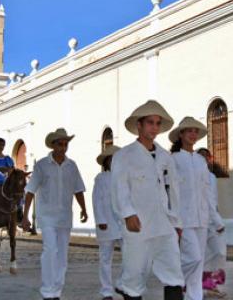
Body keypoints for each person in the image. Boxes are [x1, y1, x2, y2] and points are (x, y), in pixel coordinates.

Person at [111, 100, 185, 300]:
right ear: (139, 125)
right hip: (138, 224)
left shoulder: (164, 156)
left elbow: (174, 190)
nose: (154, 128)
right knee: (134, 276)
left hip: (164, 224)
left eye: (157, 123)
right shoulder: (124, 155)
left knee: (174, 273)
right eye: (150, 123)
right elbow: (119, 187)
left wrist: (177, 221)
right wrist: (127, 213)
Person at [22, 128, 87, 300]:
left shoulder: (72, 166)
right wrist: (25, 215)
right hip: (47, 216)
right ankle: (47, 290)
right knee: (50, 250)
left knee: (62, 254)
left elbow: (78, 189)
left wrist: (84, 208)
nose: (63, 147)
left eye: (65, 144)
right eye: (60, 144)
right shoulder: (42, 165)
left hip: (65, 216)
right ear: (53, 145)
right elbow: (30, 191)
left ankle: (57, 290)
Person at [169, 117, 218, 300]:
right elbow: (170, 191)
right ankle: (173, 277)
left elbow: (207, 191)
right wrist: (174, 219)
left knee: (200, 263)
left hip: (202, 218)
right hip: (184, 218)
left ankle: (194, 297)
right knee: (194, 259)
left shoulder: (200, 160)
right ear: (181, 134)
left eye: (195, 131)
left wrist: (213, 217)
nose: (192, 134)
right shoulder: (173, 159)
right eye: (188, 130)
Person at [92, 145, 123, 300]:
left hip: (124, 223)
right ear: (106, 162)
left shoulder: (125, 177)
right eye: (112, 159)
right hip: (107, 222)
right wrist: (100, 220)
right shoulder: (101, 178)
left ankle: (125, 285)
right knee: (105, 258)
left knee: (130, 256)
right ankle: (106, 291)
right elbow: (96, 200)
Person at [197, 148, 227, 299]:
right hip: (202, 221)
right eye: (200, 157)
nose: (204, 160)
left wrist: (217, 215)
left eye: (206, 157)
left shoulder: (212, 177)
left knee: (219, 252)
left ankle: (211, 283)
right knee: (199, 256)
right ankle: (200, 285)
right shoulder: (196, 177)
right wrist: (218, 221)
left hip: (213, 220)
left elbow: (212, 199)